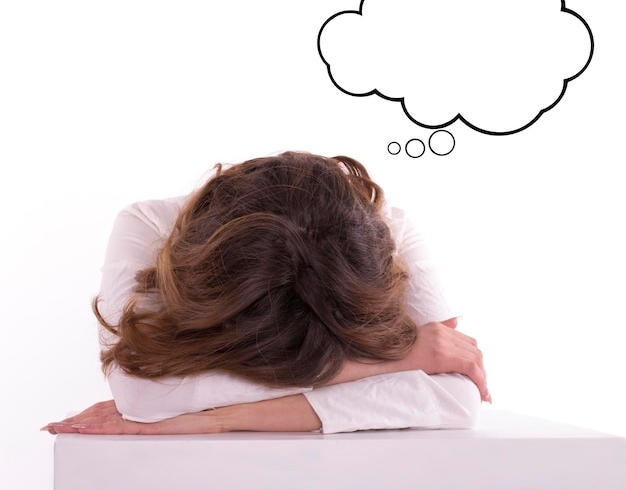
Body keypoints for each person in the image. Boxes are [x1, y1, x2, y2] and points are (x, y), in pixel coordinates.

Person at [43, 152, 489, 435]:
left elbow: (454, 396)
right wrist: (395, 360)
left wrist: (219, 417)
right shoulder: (147, 225)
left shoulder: (386, 227)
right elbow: (142, 396)